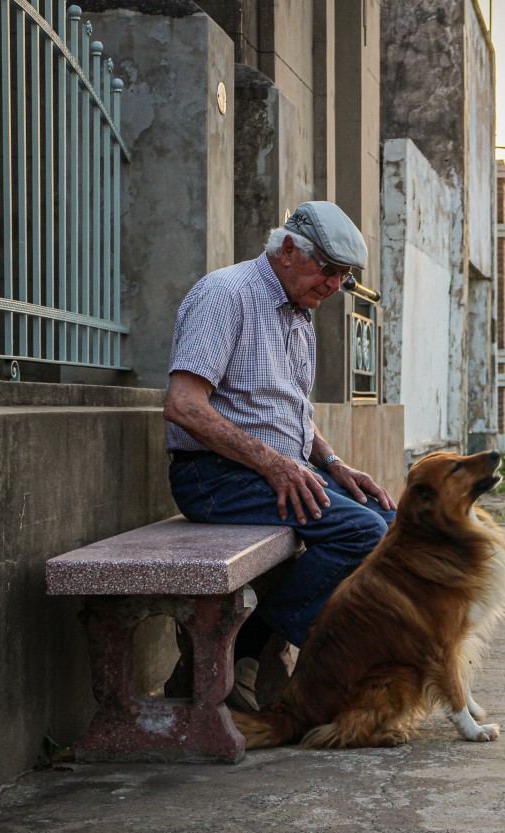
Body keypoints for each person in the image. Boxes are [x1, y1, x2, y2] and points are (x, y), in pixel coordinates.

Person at [163, 201, 397, 712]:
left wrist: (333, 463)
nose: (334, 285)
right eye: (328, 270)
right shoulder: (227, 295)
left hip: (272, 471)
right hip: (215, 478)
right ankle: (248, 655)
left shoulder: (298, 311)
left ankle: (272, 654)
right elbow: (183, 406)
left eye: (344, 276)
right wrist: (274, 463)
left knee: (389, 518)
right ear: (288, 250)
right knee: (361, 531)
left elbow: (290, 409)